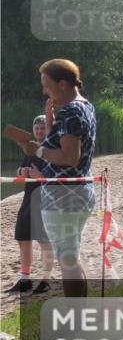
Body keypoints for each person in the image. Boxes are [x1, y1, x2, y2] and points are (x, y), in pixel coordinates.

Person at [17, 60, 96, 298]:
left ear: (62, 84)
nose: (44, 91)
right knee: (71, 257)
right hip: (77, 192)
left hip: (63, 196)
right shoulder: (85, 106)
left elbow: (69, 157)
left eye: (47, 85)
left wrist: (37, 151)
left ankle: (75, 322)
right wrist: (49, 128)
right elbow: (65, 146)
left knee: (68, 260)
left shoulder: (71, 111)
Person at [6, 115, 54, 295]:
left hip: (46, 199)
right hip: (28, 198)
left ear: (47, 129)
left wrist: (40, 176)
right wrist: (23, 171)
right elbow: (19, 170)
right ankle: (24, 280)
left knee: (44, 241)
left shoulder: (53, 148)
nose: (40, 131)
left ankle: (45, 280)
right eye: (37, 128)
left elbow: (59, 179)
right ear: (33, 130)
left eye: (42, 128)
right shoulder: (31, 148)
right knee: (22, 237)